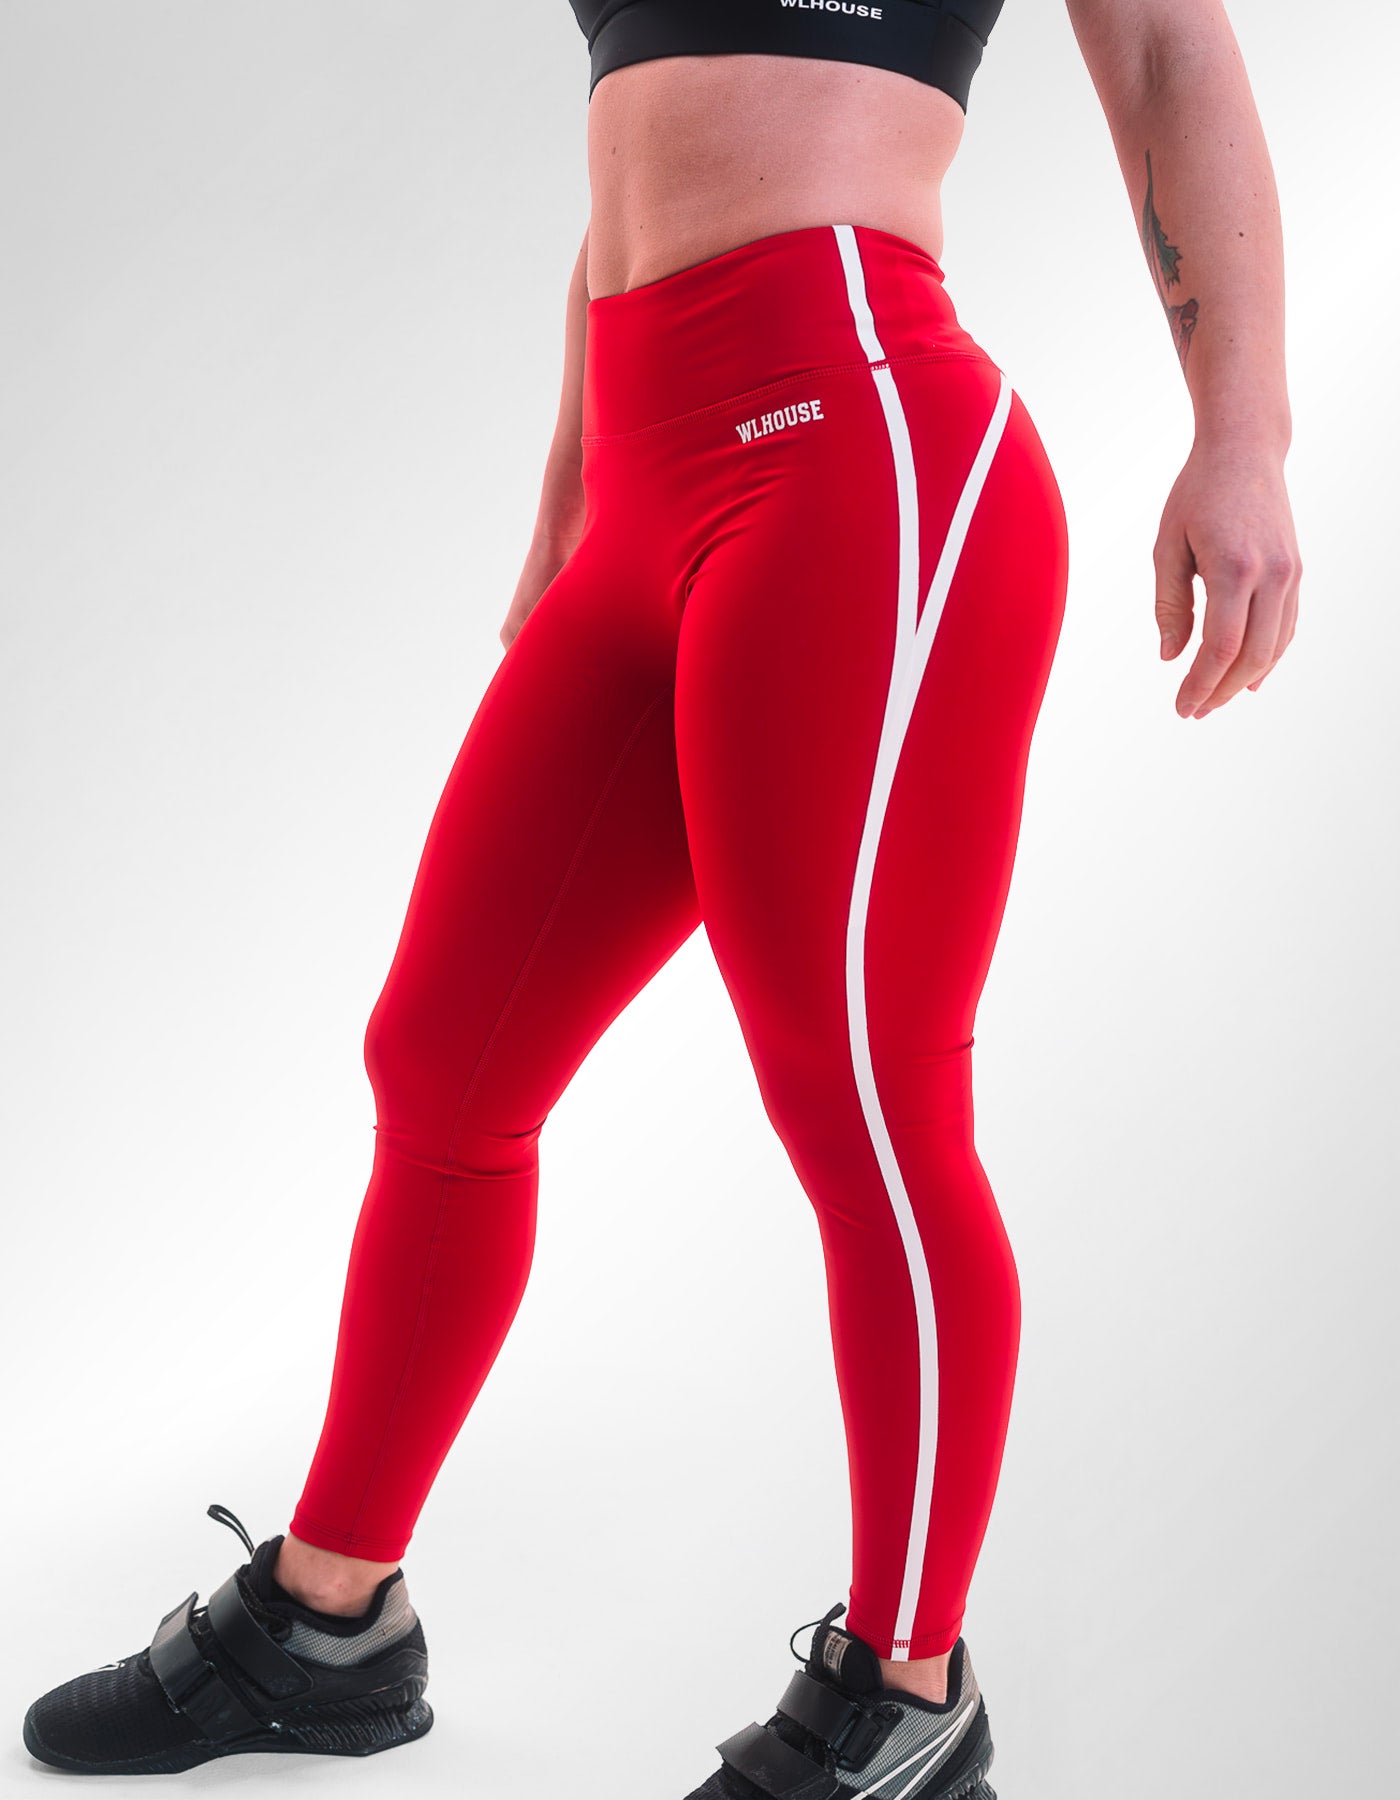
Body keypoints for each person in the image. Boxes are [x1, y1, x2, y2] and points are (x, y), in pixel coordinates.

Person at [23, 0, 1300, 1789]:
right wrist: (572, 492)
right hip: (646, 480)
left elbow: (1166, 50)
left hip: (860, 448)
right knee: (446, 1066)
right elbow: (644, 123)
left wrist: (1243, 434)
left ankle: (909, 1693)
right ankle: (329, 1622)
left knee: (867, 1102)